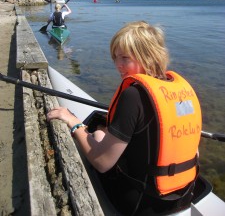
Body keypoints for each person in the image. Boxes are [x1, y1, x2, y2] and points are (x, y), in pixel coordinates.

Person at [47, 21, 202, 215]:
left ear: (148, 56)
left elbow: (102, 163)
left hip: (140, 204)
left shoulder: (133, 96)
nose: (117, 65)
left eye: (125, 58)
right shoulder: (181, 91)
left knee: (96, 135)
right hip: (184, 196)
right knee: (104, 133)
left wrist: (73, 123)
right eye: (115, 57)